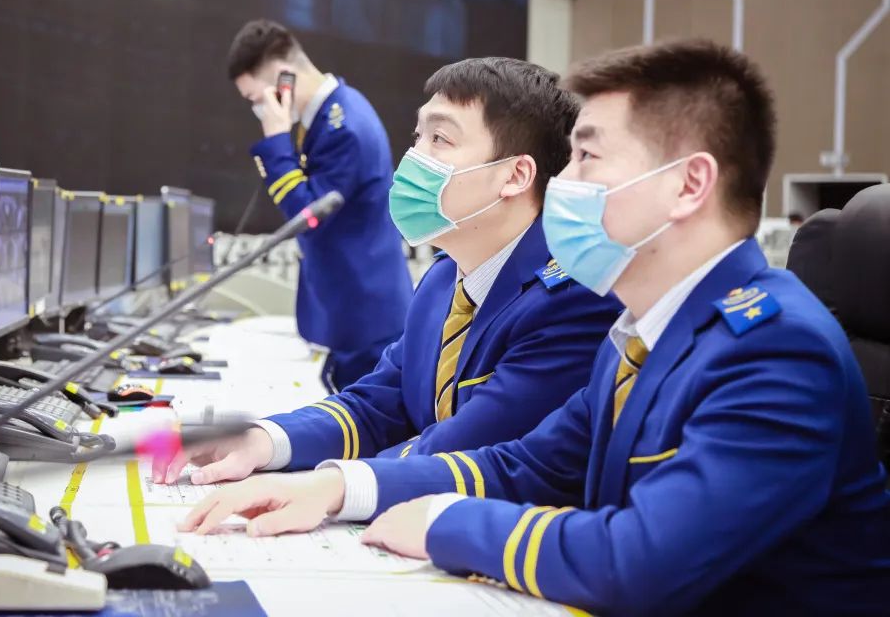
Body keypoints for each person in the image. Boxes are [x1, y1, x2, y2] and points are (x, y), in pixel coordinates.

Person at [181, 40, 890, 615]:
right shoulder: (647, 332)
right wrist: (337, 488)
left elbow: (640, 560)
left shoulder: (775, 351)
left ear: (689, 184)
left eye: (588, 157)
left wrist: (446, 523)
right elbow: (526, 464)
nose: (564, 182)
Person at [156, 57, 621, 486]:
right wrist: (265, 440)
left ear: (515, 176)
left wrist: (333, 486)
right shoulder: (442, 281)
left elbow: (466, 447)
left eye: (440, 139)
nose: (413, 158)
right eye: (418, 137)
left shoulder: (570, 301)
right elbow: (378, 405)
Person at [229, 19, 413, 391]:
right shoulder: (332, 114)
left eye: (255, 99)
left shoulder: (343, 127)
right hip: (355, 309)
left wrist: (276, 141)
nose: (258, 110)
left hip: (364, 317)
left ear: (283, 80)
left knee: (361, 424)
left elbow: (306, 216)